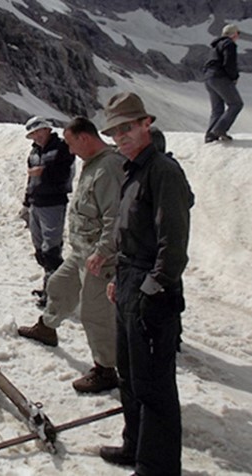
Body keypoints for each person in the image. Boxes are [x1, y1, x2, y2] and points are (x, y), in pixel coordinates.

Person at [99, 92, 194, 476]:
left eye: (128, 127)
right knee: (129, 373)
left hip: (152, 286)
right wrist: (118, 279)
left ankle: (157, 466)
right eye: (116, 130)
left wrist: (153, 290)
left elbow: (174, 243)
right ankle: (134, 445)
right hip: (128, 279)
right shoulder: (133, 167)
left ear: (145, 124)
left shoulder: (162, 171)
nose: (121, 135)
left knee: (153, 384)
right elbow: (129, 231)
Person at [18, 117, 125, 393]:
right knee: (59, 285)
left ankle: (105, 369)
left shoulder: (109, 167)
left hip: (99, 257)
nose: (70, 151)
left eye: (71, 144)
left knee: (95, 313)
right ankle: (47, 327)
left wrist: (102, 252)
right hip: (82, 251)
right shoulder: (94, 164)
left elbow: (116, 217)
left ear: (85, 138)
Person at [20, 116, 75, 307]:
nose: (35, 137)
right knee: (40, 249)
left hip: (53, 203)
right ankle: (49, 286)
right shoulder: (34, 152)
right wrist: (26, 203)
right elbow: (31, 181)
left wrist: (42, 172)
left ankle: (56, 294)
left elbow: (64, 174)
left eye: (38, 132)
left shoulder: (62, 147)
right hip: (37, 203)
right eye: (32, 134)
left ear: (47, 130)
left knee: (51, 249)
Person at [203, 24, 243, 143]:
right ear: (234, 34)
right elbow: (229, 63)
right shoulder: (229, 44)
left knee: (217, 109)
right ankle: (220, 129)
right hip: (220, 77)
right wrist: (234, 77)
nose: (238, 36)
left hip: (208, 78)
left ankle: (210, 135)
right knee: (236, 104)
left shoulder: (215, 46)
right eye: (238, 33)